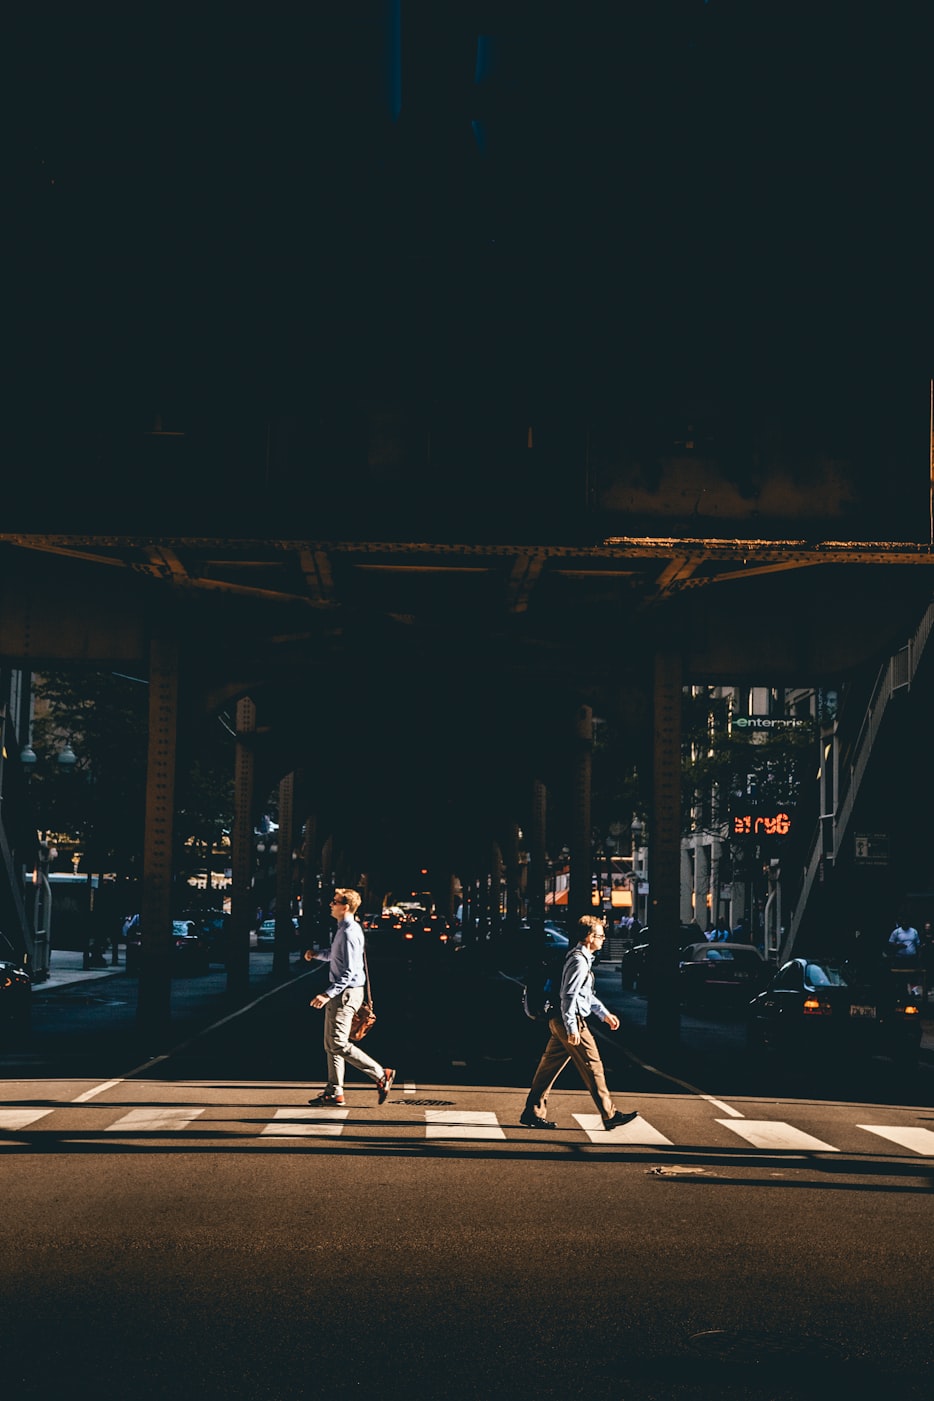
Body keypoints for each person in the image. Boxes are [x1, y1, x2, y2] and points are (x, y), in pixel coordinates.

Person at [520, 914, 638, 1131]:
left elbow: (585, 995)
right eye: (600, 936)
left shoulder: (581, 959)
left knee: (548, 1067)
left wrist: (604, 1014)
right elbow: (568, 995)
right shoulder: (578, 961)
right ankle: (610, 1114)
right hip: (570, 1020)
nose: (603, 939)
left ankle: (532, 1111)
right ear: (589, 937)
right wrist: (572, 1027)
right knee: (594, 1066)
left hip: (561, 1020)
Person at [309, 888, 395, 1107]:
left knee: (337, 1043)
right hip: (345, 992)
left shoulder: (348, 932)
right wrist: (316, 954)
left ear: (345, 907)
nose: (331, 904)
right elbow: (335, 956)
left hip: (345, 993)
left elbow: (348, 972)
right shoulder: (344, 929)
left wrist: (327, 994)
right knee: (331, 1044)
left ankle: (381, 1074)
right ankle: (334, 1092)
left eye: (335, 901)